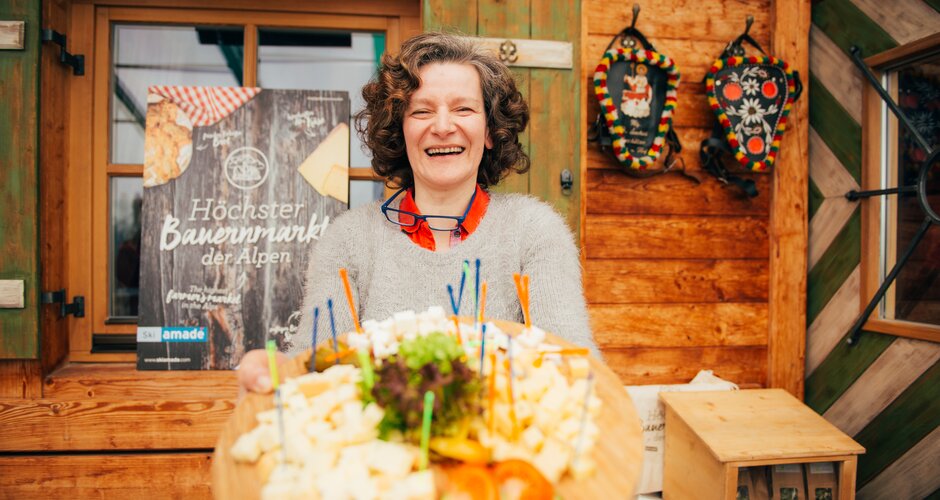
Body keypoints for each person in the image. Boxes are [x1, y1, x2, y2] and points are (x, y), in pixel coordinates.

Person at [238, 32, 598, 394]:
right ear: (401, 130)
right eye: (422, 111)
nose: (442, 127)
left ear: (490, 131)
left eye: (463, 109)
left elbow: (573, 366)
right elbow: (313, 370)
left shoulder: (534, 232)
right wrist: (275, 377)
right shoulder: (349, 239)